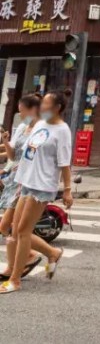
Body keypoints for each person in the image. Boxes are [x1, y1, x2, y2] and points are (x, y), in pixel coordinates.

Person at [1, 90, 73, 293]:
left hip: (42, 186)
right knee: (16, 231)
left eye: (46, 104)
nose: (42, 108)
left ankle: (15, 280)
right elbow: (25, 154)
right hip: (25, 183)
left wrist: (67, 190)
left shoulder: (62, 130)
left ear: (57, 108)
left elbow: (64, 163)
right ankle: (52, 254)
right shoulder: (40, 125)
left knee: (23, 231)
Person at [0, 93, 41, 281]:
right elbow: (12, 156)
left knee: (9, 226)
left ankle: (24, 260)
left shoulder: (40, 130)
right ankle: (31, 256)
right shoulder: (23, 128)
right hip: (13, 179)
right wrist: (5, 141)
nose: (20, 114)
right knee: (11, 227)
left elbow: (34, 158)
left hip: (24, 182)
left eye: (22, 111)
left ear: (33, 109)